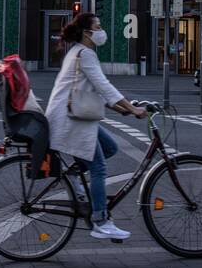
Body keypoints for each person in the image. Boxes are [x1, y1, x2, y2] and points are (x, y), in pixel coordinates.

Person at [44, 12, 146, 240]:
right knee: (99, 167)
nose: (102, 31)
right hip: (70, 119)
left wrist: (123, 108)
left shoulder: (77, 52)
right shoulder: (85, 54)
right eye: (98, 27)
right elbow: (104, 86)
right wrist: (133, 109)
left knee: (110, 147)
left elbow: (92, 91)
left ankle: (72, 177)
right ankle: (101, 221)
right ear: (88, 33)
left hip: (74, 115)